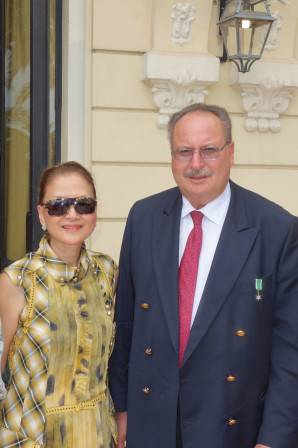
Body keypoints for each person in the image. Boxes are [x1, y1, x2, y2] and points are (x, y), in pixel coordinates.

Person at [109, 103, 298, 448]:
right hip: (151, 423)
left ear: (231, 152)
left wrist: (275, 438)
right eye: (184, 151)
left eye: (209, 150)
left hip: (233, 427)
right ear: (171, 156)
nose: (196, 164)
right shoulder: (144, 217)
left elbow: (290, 350)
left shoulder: (276, 229)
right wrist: (122, 408)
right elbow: (126, 323)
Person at [0, 161, 118, 447]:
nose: (72, 214)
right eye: (58, 205)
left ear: (95, 211)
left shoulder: (107, 271)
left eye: (83, 204)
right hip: (31, 435)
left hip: (98, 435)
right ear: (42, 213)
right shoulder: (16, 280)